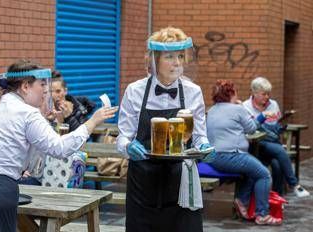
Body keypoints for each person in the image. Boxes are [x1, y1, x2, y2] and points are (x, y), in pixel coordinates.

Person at [0, 60, 118, 232]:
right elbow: (60, 148)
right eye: (42, 85)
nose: (46, 91)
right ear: (25, 86)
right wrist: (93, 121)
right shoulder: (28, 113)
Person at [117, 27, 212, 232]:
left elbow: (199, 134)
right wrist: (128, 147)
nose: (177, 63)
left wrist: (203, 145)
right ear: (154, 60)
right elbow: (123, 137)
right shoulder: (135, 90)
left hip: (181, 181)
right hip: (142, 181)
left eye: (180, 56)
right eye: (169, 57)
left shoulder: (193, 91)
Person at [206, 79, 282, 225]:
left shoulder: (212, 110)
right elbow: (251, 128)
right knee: (264, 174)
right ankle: (262, 214)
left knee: (252, 171)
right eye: (235, 91)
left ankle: (241, 201)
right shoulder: (237, 109)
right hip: (231, 156)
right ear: (231, 93)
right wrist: (262, 116)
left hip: (213, 158)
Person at [243, 76, 310, 197]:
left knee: (277, 165)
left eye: (268, 94)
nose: (267, 97)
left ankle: (277, 198)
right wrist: (263, 121)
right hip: (257, 146)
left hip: (273, 143)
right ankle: (294, 184)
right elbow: (250, 130)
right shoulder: (245, 107)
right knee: (279, 150)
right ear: (254, 93)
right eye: (264, 94)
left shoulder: (273, 104)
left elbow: (276, 126)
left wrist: (281, 125)